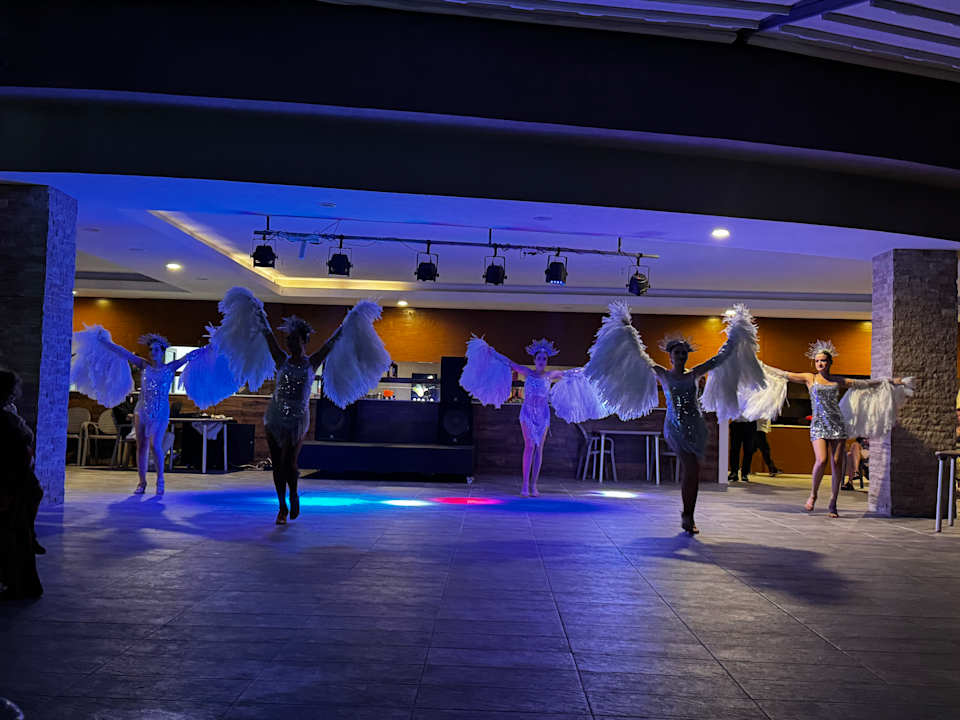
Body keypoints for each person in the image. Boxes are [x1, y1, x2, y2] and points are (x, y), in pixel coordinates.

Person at [584, 303, 762, 535]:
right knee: (690, 468)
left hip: (695, 426)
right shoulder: (663, 374)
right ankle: (687, 516)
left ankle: (689, 514)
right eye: (677, 353)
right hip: (675, 427)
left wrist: (735, 334)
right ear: (670, 356)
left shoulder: (695, 373)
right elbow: (640, 356)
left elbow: (719, 358)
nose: (681, 356)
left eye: (684, 353)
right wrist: (627, 330)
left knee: (693, 472)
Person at [771, 341, 906, 518]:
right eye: (817, 361)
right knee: (821, 460)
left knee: (836, 463)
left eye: (823, 360)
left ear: (830, 362)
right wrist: (762, 367)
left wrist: (890, 382)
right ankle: (813, 494)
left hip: (836, 425)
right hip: (819, 425)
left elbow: (864, 384)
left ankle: (833, 503)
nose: (820, 363)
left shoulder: (837, 380)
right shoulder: (809, 378)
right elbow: (785, 374)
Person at [261, 315, 341, 525]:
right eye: (288, 339)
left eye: (294, 339)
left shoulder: (312, 362)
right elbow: (268, 335)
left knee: (289, 462)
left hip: (297, 418)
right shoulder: (281, 359)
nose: (290, 343)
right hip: (275, 415)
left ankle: (294, 494)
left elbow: (331, 343)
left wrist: (348, 323)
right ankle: (281, 506)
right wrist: (257, 311)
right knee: (277, 464)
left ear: (304, 341)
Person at [98, 334, 200, 495]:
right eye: (151, 349)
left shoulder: (170, 367)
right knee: (142, 446)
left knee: (155, 445)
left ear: (163, 352)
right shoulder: (143, 365)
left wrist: (208, 348)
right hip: (141, 410)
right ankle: (142, 482)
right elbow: (123, 352)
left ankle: (160, 479)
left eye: (156, 349)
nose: (152, 352)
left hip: (160, 411)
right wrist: (105, 342)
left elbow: (189, 356)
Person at [0, 370, 44, 600]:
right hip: (15, 480)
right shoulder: (8, 418)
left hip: (14, 482)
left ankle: (20, 584)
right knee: (16, 535)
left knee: (14, 536)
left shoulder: (8, 417)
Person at [728, 416, 756, 483]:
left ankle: (745, 473)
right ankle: (734, 472)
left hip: (750, 423)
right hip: (736, 422)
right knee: (734, 449)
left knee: (748, 450)